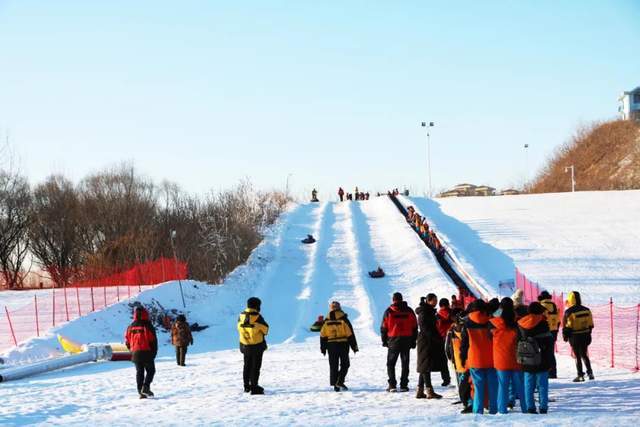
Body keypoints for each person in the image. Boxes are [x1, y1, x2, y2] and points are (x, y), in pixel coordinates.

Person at [460, 300, 497, 414]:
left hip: (475, 359)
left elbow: (464, 344)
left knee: (478, 387)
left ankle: (478, 410)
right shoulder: (491, 321)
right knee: (492, 386)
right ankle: (493, 409)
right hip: (491, 358)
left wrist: (463, 358)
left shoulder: (467, 322)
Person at [489, 298, 526, 414]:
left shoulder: (494, 323)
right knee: (520, 387)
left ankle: (502, 409)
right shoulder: (517, 323)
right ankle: (526, 408)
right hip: (516, 359)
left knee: (502, 386)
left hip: (500, 359)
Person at [517, 302, 554, 414]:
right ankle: (543, 407)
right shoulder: (543, 323)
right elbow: (549, 343)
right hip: (541, 359)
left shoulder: (521, 323)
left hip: (526, 358)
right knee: (542, 385)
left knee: (528, 385)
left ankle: (530, 407)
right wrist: (550, 361)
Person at [381, 292, 418, 392]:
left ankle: (392, 385)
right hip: (406, 340)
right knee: (405, 363)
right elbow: (415, 326)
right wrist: (414, 340)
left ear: (393, 300)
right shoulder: (409, 311)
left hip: (393, 341)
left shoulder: (388, 311)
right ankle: (404, 385)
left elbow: (384, 328)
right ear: (402, 299)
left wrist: (384, 341)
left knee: (391, 364)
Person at [320, 301, 358, 391]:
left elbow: (323, 336)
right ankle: (340, 381)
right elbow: (350, 334)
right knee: (345, 364)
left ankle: (335, 386)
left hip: (331, 345)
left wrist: (323, 348)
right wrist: (354, 346)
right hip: (343, 344)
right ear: (339, 307)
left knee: (333, 365)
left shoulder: (326, 320)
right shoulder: (344, 319)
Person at [415, 294, 447, 399]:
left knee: (424, 366)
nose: (436, 302)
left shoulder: (429, 311)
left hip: (428, 341)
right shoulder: (424, 312)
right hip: (425, 341)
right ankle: (429, 390)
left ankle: (420, 390)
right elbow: (426, 328)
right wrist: (437, 339)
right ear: (429, 301)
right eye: (434, 300)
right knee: (425, 366)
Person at [238, 297, 269, 395]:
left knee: (246, 366)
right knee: (255, 367)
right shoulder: (258, 317)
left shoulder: (241, 315)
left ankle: (246, 386)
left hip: (245, 345)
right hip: (257, 346)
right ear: (257, 306)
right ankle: (254, 387)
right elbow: (266, 330)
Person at [125, 306, 158, 399]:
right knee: (151, 371)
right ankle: (146, 387)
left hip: (135, 352)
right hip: (146, 352)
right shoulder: (147, 325)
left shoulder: (130, 326)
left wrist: (132, 349)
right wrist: (154, 353)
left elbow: (127, 340)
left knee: (139, 372)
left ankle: (141, 392)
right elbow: (153, 341)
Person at [562, 291, 594, 382]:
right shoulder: (587, 310)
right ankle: (590, 373)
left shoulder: (568, 312)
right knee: (584, 354)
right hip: (586, 335)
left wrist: (565, 336)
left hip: (575, 336)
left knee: (577, 356)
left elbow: (567, 327)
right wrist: (588, 333)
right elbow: (591, 324)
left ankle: (580, 375)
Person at [445, 310, 472, 413]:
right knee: (469, 383)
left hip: (458, 361)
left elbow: (447, 347)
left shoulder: (451, 331)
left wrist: (450, 358)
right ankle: (469, 401)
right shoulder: (468, 330)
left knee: (462, 383)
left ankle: (465, 401)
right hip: (469, 360)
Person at [538, 291, 560, 378]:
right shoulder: (554, 305)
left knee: (543, 352)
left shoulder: (540, 306)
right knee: (551, 352)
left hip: (543, 331)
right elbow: (558, 319)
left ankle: (544, 371)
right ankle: (553, 372)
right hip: (553, 331)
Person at [435, 297, 453, 386]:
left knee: (443, 360)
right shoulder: (453, 313)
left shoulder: (437, 316)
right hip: (454, 338)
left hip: (442, 339)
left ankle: (446, 379)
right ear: (448, 304)